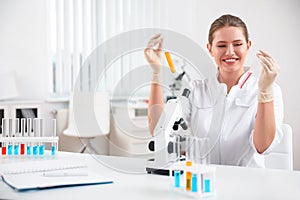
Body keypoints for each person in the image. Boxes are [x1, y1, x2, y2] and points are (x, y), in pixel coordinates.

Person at [144, 14, 283, 167]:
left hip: (246, 181)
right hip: (202, 181)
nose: (230, 52)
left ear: (248, 46)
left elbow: (262, 146)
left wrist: (265, 94)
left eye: (237, 44)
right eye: (221, 45)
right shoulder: (195, 89)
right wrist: (156, 72)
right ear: (210, 49)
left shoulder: (269, 90)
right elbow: (159, 129)